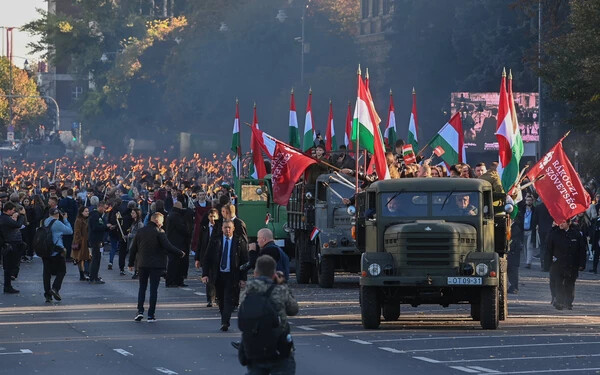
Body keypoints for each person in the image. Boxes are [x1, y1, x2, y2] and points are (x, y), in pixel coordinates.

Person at [238, 255, 299, 374]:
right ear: (274, 274)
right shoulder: (279, 290)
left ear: (255, 273)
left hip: (254, 345)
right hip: (278, 346)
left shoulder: (247, 292)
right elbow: (293, 309)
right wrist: (283, 284)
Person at [128, 212, 185, 322]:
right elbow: (167, 246)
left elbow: (133, 248)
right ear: (157, 221)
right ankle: (150, 314)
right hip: (156, 265)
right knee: (153, 290)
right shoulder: (160, 232)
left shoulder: (141, 231)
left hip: (142, 264)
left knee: (142, 288)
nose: (162, 224)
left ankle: (140, 311)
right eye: (162, 222)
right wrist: (180, 253)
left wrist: (130, 263)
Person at [202, 220, 248, 331]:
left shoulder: (239, 242)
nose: (227, 230)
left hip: (232, 275)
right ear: (222, 229)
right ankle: (224, 318)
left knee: (228, 299)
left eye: (229, 228)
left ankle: (225, 322)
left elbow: (244, 261)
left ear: (233, 229)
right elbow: (207, 258)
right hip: (218, 274)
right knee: (221, 299)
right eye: (225, 227)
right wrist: (205, 274)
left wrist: (243, 278)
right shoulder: (215, 241)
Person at [545, 220, 587, 310]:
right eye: (560, 221)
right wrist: (547, 263)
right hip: (558, 263)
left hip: (572, 264)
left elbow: (582, 250)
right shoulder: (554, 233)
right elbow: (548, 249)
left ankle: (568, 302)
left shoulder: (576, 234)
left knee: (570, 283)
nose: (561, 224)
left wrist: (582, 264)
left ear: (569, 223)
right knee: (558, 283)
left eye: (563, 222)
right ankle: (559, 301)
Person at [41, 208, 73, 302]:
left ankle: (47, 295)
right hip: (56, 250)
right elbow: (69, 231)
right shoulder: (57, 223)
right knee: (61, 271)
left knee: (46, 273)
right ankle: (55, 288)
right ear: (58, 214)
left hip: (45, 250)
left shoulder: (45, 221)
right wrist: (66, 220)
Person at [195, 208, 220, 306]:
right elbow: (200, 243)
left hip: (217, 255)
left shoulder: (219, 227)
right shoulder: (204, 228)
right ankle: (210, 298)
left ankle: (217, 297)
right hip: (205, 255)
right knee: (207, 276)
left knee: (217, 277)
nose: (212, 219)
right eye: (211, 216)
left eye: (214, 216)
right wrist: (197, 258)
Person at [165, 201, 193, 287]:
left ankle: (176, 281)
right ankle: (173, 281)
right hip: (178, 243)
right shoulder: (176, 217)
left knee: (177, 263)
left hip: (174, 242)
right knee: (175, 263)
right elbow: (183, 229)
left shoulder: (171, 215)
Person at [1, 202, 26, 294]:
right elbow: (17, 225)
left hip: (10, 243)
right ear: (8, 210)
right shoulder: (5, 219)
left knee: (9, 266)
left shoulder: (4, 218)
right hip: (10, 244)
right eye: (12, 210)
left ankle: (8, 285)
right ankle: (7, 286)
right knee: (9, 266)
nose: (13, 212)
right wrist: (22, 215)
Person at [88, 201, 108, 284]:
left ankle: (95, 275)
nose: (104, 210)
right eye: (103, 208)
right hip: (96, 239)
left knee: (98, 258)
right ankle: (93, 277)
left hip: (99, 239)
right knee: (96, 258)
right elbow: (95, 227)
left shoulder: (98, 216)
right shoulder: (95, 215)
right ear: (100, 207)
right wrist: (105, 226)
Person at [72, 206, 91, 281]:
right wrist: (78, 242)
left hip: (85, 241)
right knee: (80, 259)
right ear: (81, 212)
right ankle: (82, 274)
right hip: (80, 242)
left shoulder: (86, 220)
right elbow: (77, 232)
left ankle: (85, 273)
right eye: (86, 211)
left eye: (88, 211)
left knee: (86, 258)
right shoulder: (79, 220)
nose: (87, 212)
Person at [58, 188, 78, 261]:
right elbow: (76, 212)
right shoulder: (74, 202)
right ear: (72, 194)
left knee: (64, 238)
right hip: (72, 222)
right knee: (71, 239)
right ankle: (70, 254)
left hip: (63, 221)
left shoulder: (62, 201)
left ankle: (64, 254)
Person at [127, 208, 144, 279]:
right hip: (132, 242)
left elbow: (140, 234)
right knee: (134, 258)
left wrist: (130, 235)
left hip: (137, 243)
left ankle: (137, 271)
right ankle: (136, 271)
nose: (131, 214)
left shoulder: (139, 223)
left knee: (137, 258)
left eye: (133, 213)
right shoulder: (134, 222)